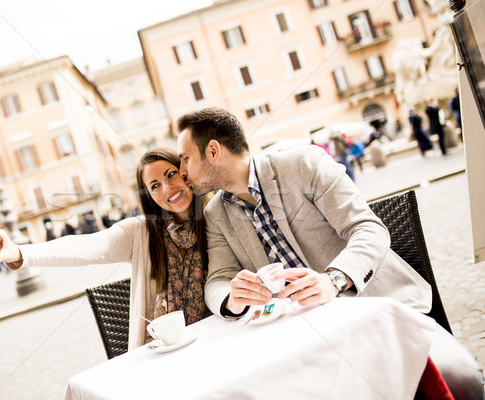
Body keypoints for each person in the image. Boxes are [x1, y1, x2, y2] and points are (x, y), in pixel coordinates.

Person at [175, 107, 483, 400]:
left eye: (185, 158)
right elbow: (217, 282)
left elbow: (368, 229)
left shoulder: (303, 164)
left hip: (381, 310)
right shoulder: (216, 213)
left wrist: (333, 280)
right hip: (306, 340)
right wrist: (233, 297)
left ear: (213, 151)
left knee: (462, 381)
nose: (181, 171)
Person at [0, 148, 211, 350]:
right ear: (149, 196)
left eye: (170, 174)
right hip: (161, 353)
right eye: (154, 185)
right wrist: (18, 252)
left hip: (215, 338)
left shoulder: (217, 219)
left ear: (185, 174)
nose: (166, 188)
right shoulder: (141, 232)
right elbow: (86, 246)